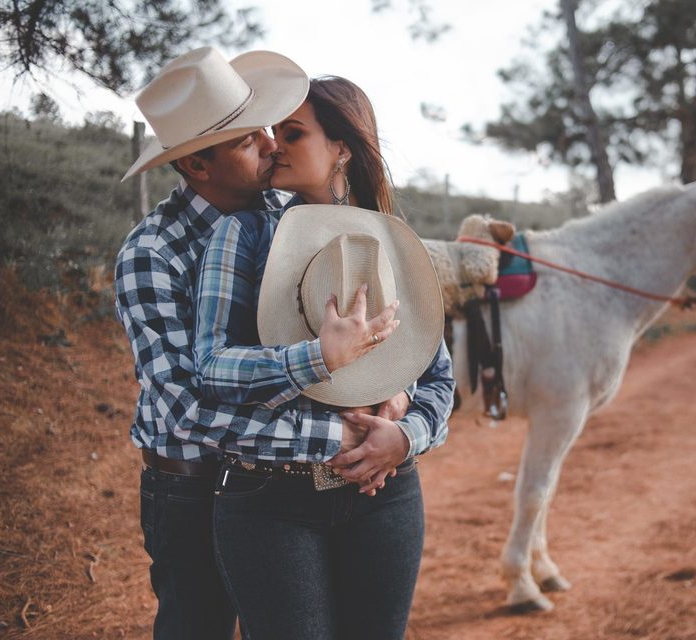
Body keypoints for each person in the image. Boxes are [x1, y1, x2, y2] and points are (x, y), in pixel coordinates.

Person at [114, 49, 401, 639]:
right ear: (196, 162)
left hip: (275, 484)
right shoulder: (152, 254)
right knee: (198, 626)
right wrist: (339, 439)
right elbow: (185, 410)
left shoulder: (282, 217)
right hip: (191, 485)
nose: (273, 146)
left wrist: (394, 401)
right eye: (250, 141)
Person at [192, 76, 454, 640]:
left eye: (293, 133)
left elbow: (438, 375)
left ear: (342, 148)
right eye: (275, 132)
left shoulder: (393, 244)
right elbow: (211, 369)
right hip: (270, 496)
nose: (274, 145)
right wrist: (317, 357)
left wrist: (406, 436)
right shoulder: (243, 235)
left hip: (385, 492)